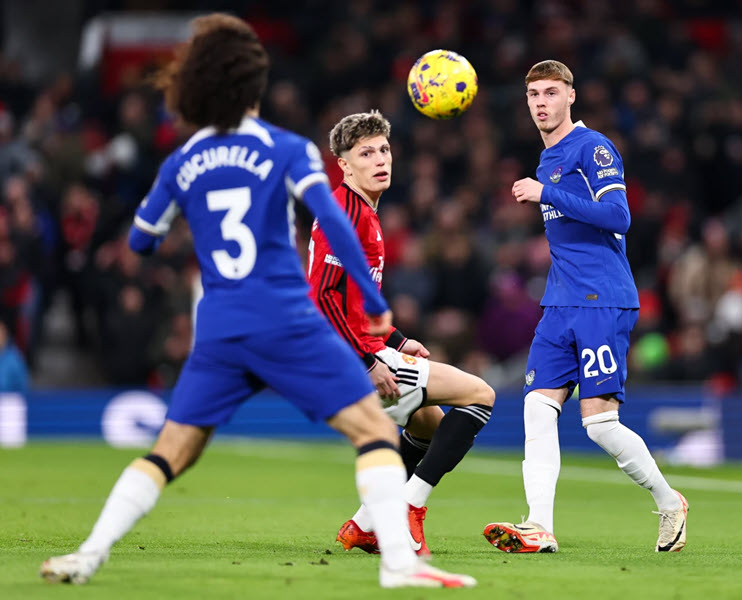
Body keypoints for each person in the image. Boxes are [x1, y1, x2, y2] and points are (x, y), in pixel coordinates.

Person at [39, 14, 474, 589]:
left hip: (218, 328)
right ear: (255, 86)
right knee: (372, 431)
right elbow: (333, 224)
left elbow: (141, 240)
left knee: (171, 452)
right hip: (284, 321)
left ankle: (89, 553)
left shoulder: (182, 160)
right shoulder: (285, 148)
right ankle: (398, 564)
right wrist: (375, 301)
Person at [482, 60, 689, 554]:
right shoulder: (546, 156)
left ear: (571, 96)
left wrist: (546, 193)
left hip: (602, 298)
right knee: (536, 407)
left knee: (599, 424)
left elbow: (619, 216)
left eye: (550, 92)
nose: (540, 102)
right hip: (559, 302)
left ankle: (669, 502)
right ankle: (540, 527)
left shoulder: (593, 148)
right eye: (533, 94)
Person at [308, 110, 495, 556]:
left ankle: (365, 523)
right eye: (366, 153)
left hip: (359, 350)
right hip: (348, 360)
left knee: (429, 423)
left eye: (384, 150)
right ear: (344, 164)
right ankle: (409, 508)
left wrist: (395, 340)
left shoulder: (361, 212)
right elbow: (323, 298)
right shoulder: (344, 214)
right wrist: (369, 362)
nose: (380, 160)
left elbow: (353, 303)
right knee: (480, 395)